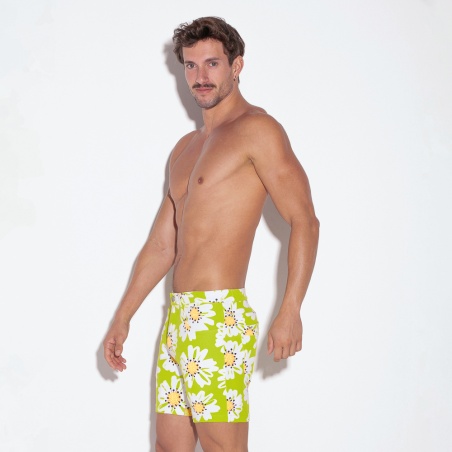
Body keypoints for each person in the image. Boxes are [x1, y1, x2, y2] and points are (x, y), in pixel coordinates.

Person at [103, 16, 319, 452]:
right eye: (191, 65)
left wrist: (291, 308)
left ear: (236, 66)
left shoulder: (258, 130)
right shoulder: (185, 149)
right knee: (169, 447)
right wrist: (123, 316)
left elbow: (304, 220)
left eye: (212, 63)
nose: (200, 76)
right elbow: (162, 244)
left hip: (219, 317)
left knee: (223, 447)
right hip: (178, 318)